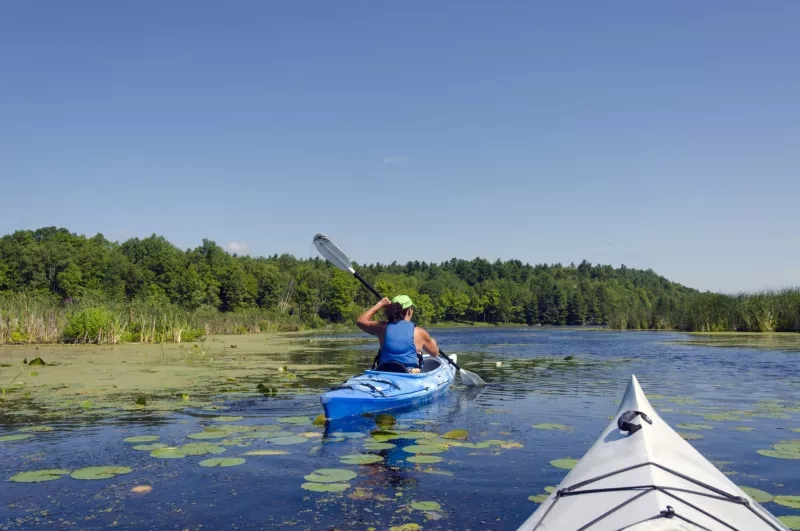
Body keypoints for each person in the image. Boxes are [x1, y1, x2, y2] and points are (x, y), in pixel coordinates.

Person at [356, 294, 440, 373]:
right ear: (409, 311)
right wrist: (432, 341)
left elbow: (360, 321)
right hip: (409, 375)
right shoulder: (419, 332)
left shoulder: (381, 327)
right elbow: (435, 353)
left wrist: (380, 304)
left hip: (384, 372)